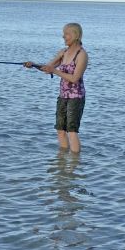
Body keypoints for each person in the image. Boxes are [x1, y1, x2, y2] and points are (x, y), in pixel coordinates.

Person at [25, 23, 88, 153]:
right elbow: (47, 68)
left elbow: (74, 78)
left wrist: (55, 71)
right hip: (63, 96)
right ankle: (62, 161)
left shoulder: (82, 55)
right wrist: (33, 65)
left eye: (66, 34)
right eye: (64, 34)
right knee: (60, 130)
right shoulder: (63, 52)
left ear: (75, 35)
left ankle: (75, 163)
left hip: (76, 97)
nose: (63, 36)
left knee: (72, 131)